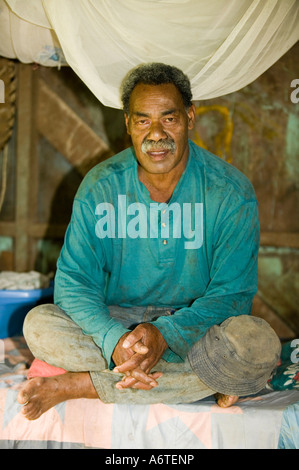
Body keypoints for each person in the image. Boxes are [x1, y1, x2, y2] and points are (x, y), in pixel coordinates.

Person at [17, 63, 281, 420]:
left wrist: (164, 333)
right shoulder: (101, 186)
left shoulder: (230, 192)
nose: (156, 134)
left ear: (190, 117)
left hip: (193, 329)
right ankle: (206, 381)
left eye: (169, 119)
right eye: (143, 121)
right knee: (39, 323)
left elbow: (231, 295)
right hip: (116, 323)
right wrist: (114, 341)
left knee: (256, 344)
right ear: (127, 123)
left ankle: (79, 385)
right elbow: (74, 283)